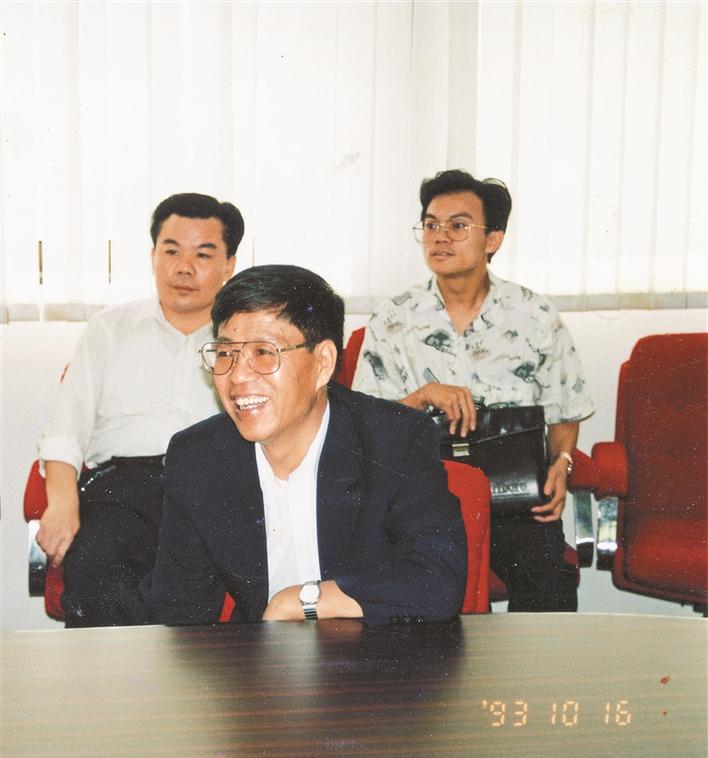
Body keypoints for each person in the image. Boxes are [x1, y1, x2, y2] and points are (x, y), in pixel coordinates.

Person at [140, 265, 466, 626]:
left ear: (323, 363)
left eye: (263, 352)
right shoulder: (198, 457)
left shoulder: (394, 439)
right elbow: (179, 613)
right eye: (225, 353)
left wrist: (301, 601)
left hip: (375, 651)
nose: (237, 375)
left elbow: (439, 580)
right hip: (261, 657)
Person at [352, 170, 594, 612]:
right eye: (431, 224)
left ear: (493, 239)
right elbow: (365, 422)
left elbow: (565, 410)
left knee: (549, 582)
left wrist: (562, 463)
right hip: (421, 497)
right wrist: (421, 396)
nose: (440, 236)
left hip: (513, 497)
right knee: (401, 593)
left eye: (458, 225)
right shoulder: (393, 318)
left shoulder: (534, 315)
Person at [36, 192, 245, 627]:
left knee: (190, 603)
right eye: (171, 251)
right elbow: (65, 431)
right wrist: (62, 501)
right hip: (121, 491)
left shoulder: (244, 338)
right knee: (102, 580)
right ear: (152, 256)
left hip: (213, 489)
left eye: (203, 254)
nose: (183, 268)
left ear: (229, 265)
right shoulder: (108, 330)